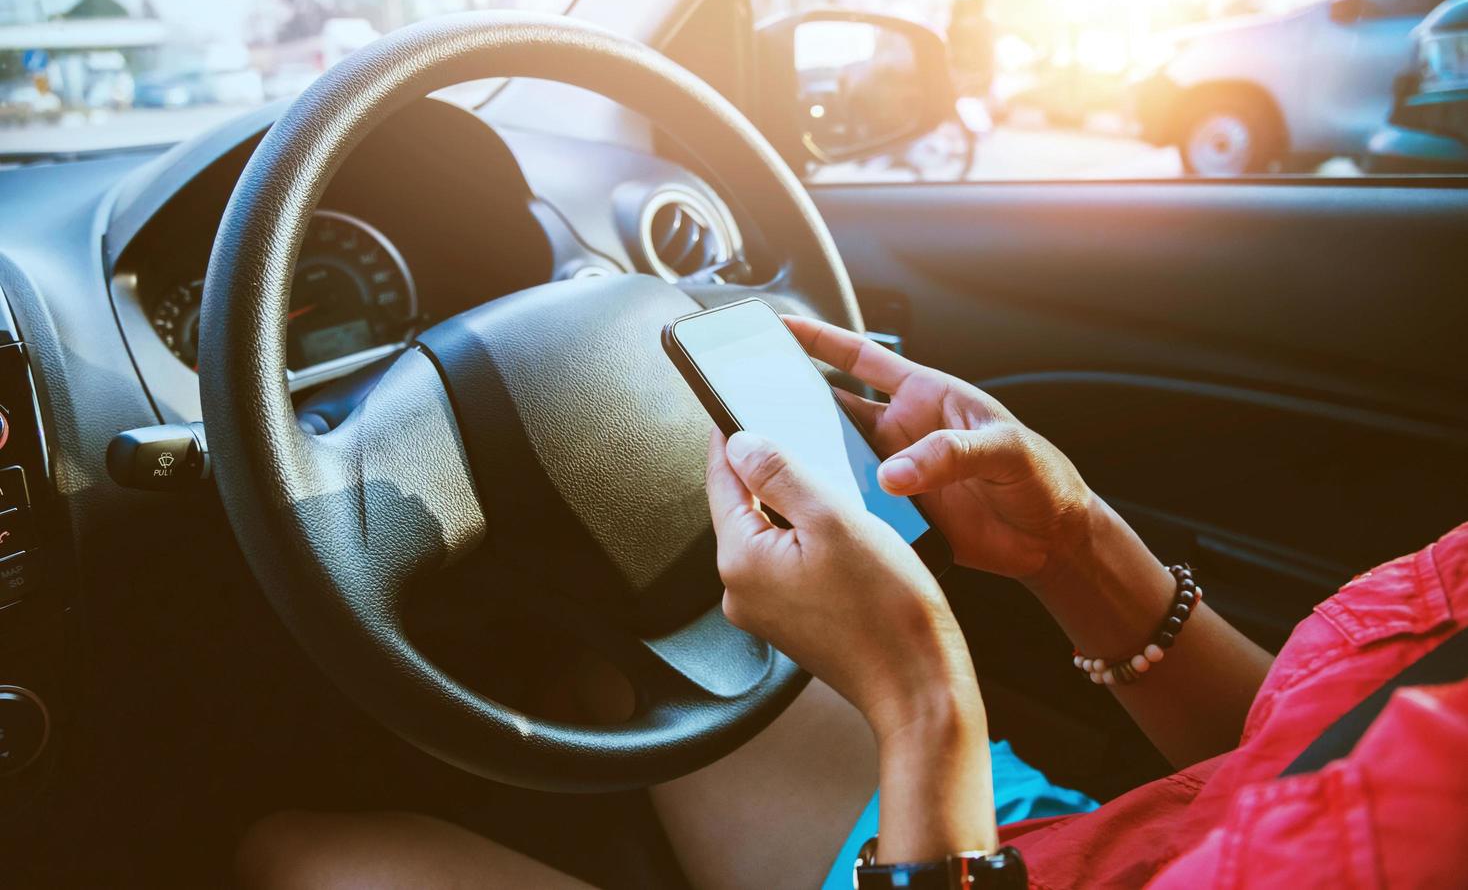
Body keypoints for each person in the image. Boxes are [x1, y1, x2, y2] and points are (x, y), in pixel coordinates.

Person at [238, 315, 1468, 889]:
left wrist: (920, 698)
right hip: (1045, 852)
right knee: (621, 673)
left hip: (951, 849)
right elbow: (1309, 753)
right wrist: (1078, 552)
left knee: (297, 851)